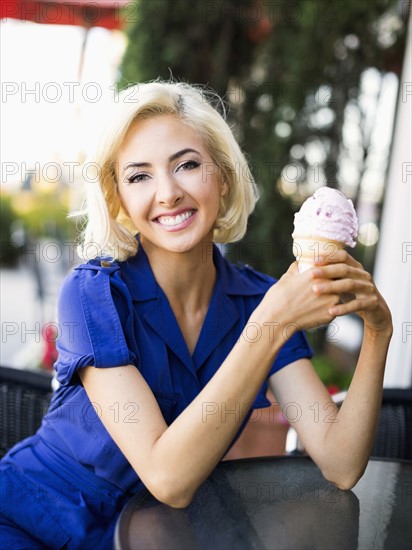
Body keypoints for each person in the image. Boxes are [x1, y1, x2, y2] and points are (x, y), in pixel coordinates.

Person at [0, 81, 392, 549]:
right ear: (118, 198)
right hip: (30, 519)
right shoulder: (93, 293)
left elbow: (342, 464)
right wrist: (271, 325)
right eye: (139, 176)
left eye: (187, 165)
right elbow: (168, 478)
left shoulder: (258, 299)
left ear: (223, 176)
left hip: (152, 536)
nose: (167, 193)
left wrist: (378, 332)